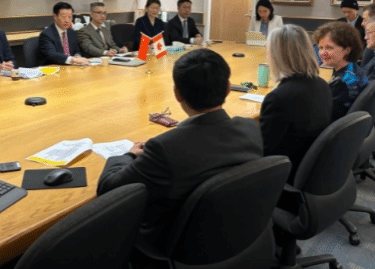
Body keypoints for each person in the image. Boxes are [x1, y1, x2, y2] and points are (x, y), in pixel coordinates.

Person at [97, 48, 263, 248]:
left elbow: (108, 189)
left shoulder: (165, 148)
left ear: (177, 94)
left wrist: (128, 155)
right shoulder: (251, 128)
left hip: (179, 247)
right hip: (242, 236)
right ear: (228, 88)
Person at [260, 24, 332, 183]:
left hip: (282, 174)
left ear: (277, 55)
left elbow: (265, 152)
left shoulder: (279, 97)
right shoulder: (322, 84)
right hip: (310, 167)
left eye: (268, 51)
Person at [314, 22, 368, 121]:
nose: (322, 53)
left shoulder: (341, 83)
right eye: (320, 48)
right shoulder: (353, 68)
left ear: (347, 50)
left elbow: (320, 116)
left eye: (329, 48)